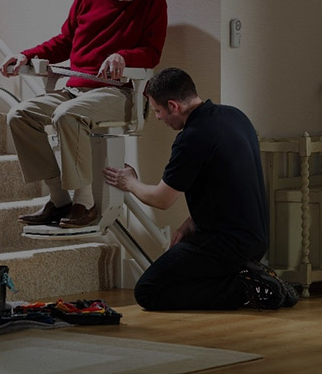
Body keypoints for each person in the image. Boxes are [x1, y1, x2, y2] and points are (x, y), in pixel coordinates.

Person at [0, 0, 167, 229]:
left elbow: (152, 52)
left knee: (69, 115)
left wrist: (123, 56)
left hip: (121, 93)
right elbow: (65, 41)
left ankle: (84, 202)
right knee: (19, 116)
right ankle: (59, 199)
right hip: (76, 89)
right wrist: (26, 55)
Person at [103, 67, 299, 310]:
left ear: (173, 106)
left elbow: (162, 199)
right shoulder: (235, 116)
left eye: (157, 111)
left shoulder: (192, 138)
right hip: (254, 239)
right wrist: (192, 220)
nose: (158, 118)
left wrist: (129, 182)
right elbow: (229, 184)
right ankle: (254, 278)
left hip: (225, 244)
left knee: (148, 291)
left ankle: (251, 289)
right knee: (182, 273)